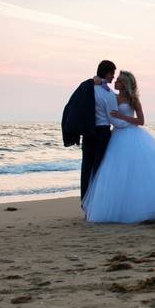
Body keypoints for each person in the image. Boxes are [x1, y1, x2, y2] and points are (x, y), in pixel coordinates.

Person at [83, 71, 155, 223]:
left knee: (137, 172)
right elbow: (98, 87)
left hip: (132, 134)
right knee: (116, 173)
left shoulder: (133, 100)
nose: (115, 82)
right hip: (117, 135)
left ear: (125, 83)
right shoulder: (112, 96)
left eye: (119, 81)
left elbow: (141, 121)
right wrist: (97, 81)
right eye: (116, 80)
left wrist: (122, 116)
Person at [61, 60, 118, 202]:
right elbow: (112, 120)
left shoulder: (87, 87)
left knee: (86, 168)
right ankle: (97, 202)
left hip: (88, 132)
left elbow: (72, 105)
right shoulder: (109, 94)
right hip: (103, 134)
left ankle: (85, 202)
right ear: (107, 73)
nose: (113, 77)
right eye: (112, 73)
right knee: (99, 168)